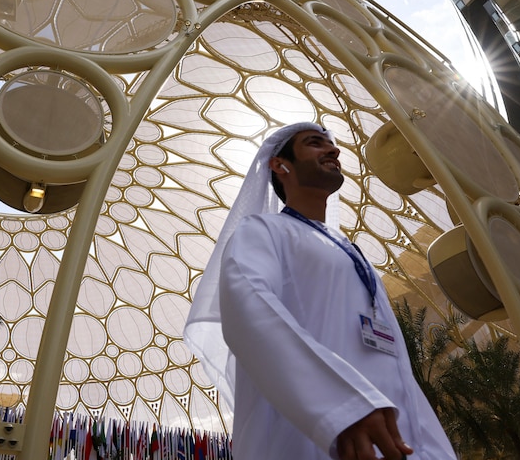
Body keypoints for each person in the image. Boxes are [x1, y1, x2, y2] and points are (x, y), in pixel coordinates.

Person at [184, 122, 456, 460]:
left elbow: (395, 362)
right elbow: (248, 306)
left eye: (332, 144)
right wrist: (340, 407)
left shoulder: (352, 251)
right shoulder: (264, 230)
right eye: (315, 144)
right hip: (316, 436)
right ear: (280, 165)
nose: (334, 150)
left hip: (398, 440)